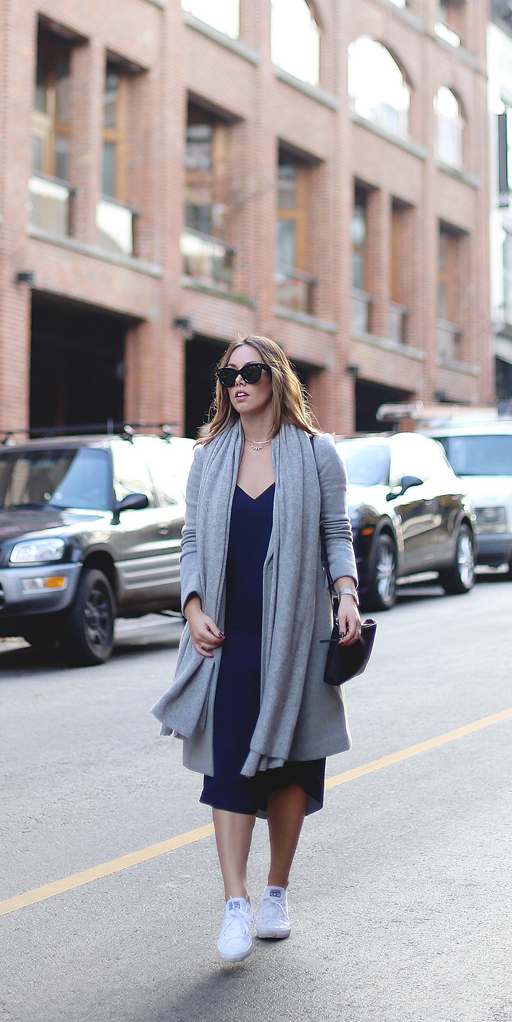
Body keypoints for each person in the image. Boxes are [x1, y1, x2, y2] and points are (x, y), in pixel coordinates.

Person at [152, 334, 361, 963]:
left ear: (276, 377)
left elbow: (335, 532)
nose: (237, 382)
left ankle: (276, 891)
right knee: (226, 768)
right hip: (227, 635)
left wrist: (346, 593)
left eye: (250, 371)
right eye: (227, 374)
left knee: (292, 767)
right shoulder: (209, 456)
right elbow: (191, 539)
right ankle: (235, 903)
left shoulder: (316, 454)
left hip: (295, 634)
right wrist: (191, 608)